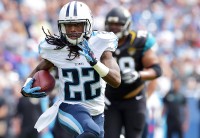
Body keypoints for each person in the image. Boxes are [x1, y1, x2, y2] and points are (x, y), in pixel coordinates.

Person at [20, 1, 121, 138]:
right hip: (69, 108)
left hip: (97, 112)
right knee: (91, 132)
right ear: (61, 26)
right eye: (68, 25)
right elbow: (39, 69)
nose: (73, 29)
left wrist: (94, 63)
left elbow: (116, 80)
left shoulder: (100, 44)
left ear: (88, 24)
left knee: (92, 133)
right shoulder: (57, 49)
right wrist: (26, 85)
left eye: (78, 24)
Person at [104, 6, 162, 138]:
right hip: (110, 100)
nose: (114, 27)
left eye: (118, 24)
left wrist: (139, 75)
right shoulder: (101, 41)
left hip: (134, 99)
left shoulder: (139, 41)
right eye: (111, 24)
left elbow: (157, 69)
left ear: (127, 25)